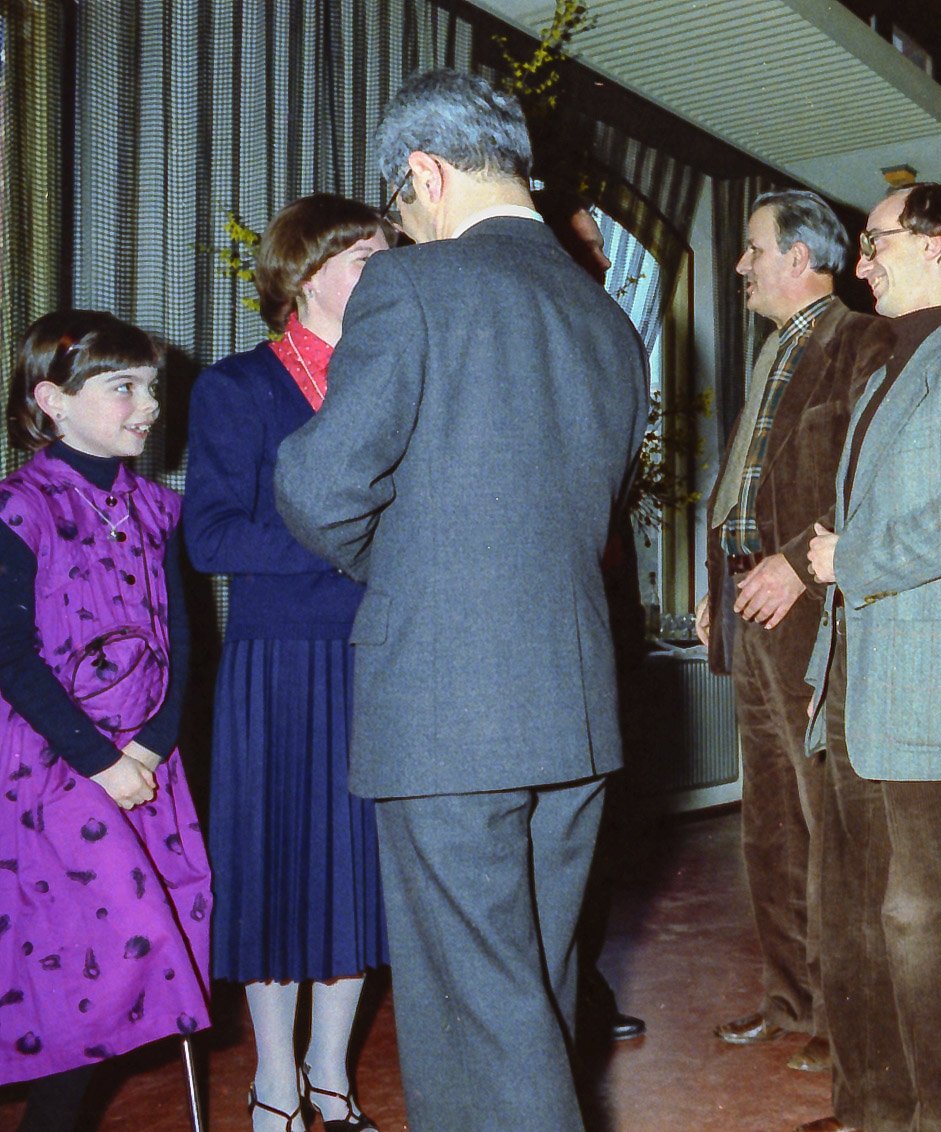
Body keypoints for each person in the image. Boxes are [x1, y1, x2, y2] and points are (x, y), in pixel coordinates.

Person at [273, 70, 648, 1130]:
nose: (401, 230)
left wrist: (407, 572)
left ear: (424, 173)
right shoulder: (607, 319)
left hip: (449, 704)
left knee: (477, 1021)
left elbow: (320, 485)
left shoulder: (413, 285)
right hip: (572, 707)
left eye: (399, 209)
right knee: (534, 991)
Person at [798, 182, 941, 1132]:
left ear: (936, 243)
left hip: (931, 687)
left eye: (875, 240)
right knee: (854, 911)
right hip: (857, 680)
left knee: (939, 918)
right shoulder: (888, 369)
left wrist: (852, 558)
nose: (861, 262)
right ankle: (875, 1109)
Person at [183, 194, 390, 1131]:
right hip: (278, 667)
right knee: (275, 873)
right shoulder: (236, 387)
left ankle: (331, 1079)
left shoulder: (391, 380)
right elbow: (211, 536)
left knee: (356, 872)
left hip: (378, 656)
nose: (383, 276)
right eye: (364, 261)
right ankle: (275, 1087)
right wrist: (349, 548)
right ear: (306, 275)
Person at [693, 190, 891, 1074]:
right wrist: (717, 585)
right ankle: (791, 1001)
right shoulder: (775, 349)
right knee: (770, 823)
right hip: (751, 608)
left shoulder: (862, 342)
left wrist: (797, 567)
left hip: (811, 612)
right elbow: (745, 484)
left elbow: (869, 486)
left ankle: (848, 1022)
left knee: (831, 824)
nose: (741, 265)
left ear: (802, 257)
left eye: (753, 249)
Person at [0, 311, 212, 1130]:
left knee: (135, 960)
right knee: (94, 964)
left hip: (145, 762)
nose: (148, 406)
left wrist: (152, 745)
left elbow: (183, 638)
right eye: (123, 387)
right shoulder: (19, 511)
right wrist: (100, 760)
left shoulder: (158, 509)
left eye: (151, 387)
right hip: (56, 767)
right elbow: (10, 654)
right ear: (52, 400)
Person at [558, 192, 645, 1047]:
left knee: (599, 816)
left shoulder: (607, 337)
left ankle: (580, 983)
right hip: (551, 606)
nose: (607, 260)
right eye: (588, 244)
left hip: (606, 601)